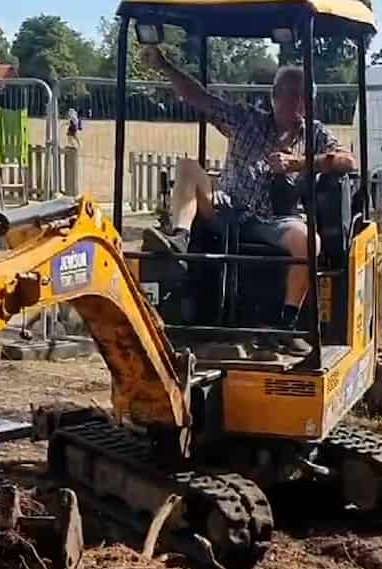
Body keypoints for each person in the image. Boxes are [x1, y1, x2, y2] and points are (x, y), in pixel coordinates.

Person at [138, 45, 357, 355]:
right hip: (228, 205)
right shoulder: (246, 120)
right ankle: (180, 241)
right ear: (273, 95)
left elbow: (349, 161)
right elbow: (200, 98)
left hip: (277, 218)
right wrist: (164, 65)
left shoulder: (316, 135)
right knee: (187, 167)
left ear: (309, 102)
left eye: (300, 94)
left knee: (310, 241)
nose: (292, 100)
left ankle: (286, 324)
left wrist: (300, 163)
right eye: (285, 93)